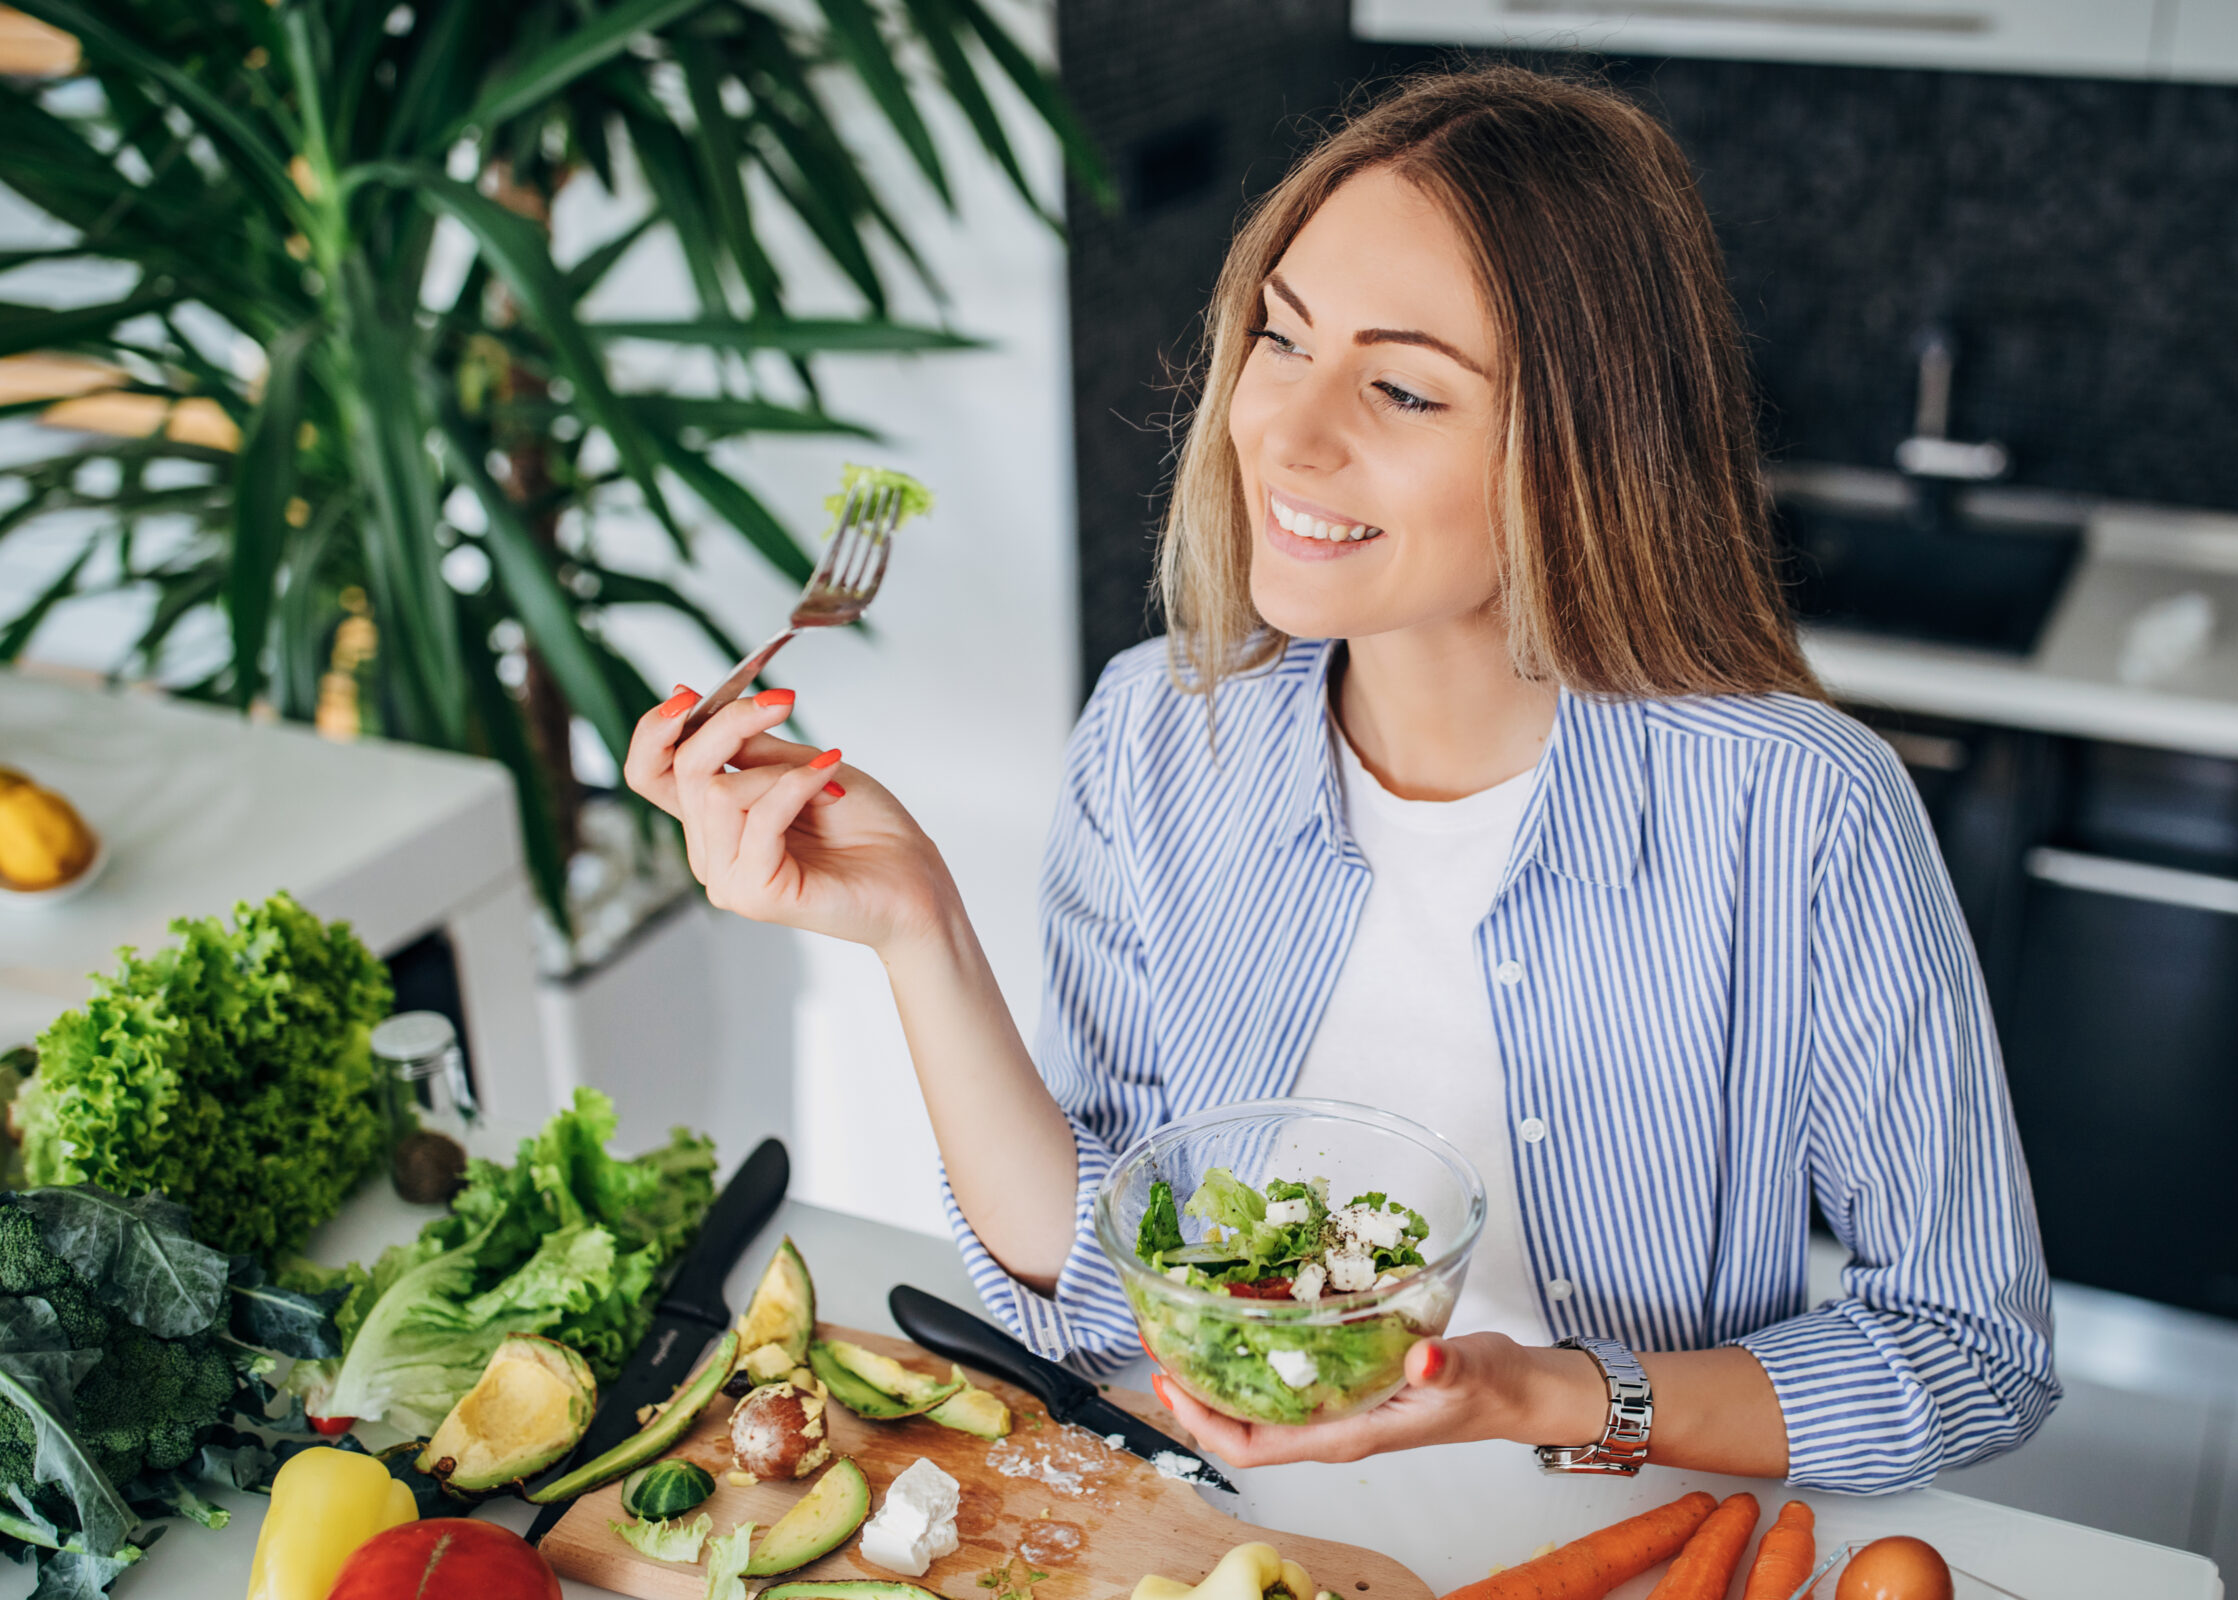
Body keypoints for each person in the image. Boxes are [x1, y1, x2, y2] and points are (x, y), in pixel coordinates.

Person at [624, 65, 2057, 1493]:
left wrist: (1541, 1397)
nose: (1286, 434)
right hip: (1236, 1536)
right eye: (1281, 338)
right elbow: (1101, 1291)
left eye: (1401, 388)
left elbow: (1968, 1348)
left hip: (1615, 1559)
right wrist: (915, 927)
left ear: (1586, 447)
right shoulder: (1154, 732)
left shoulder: (1802, 811)